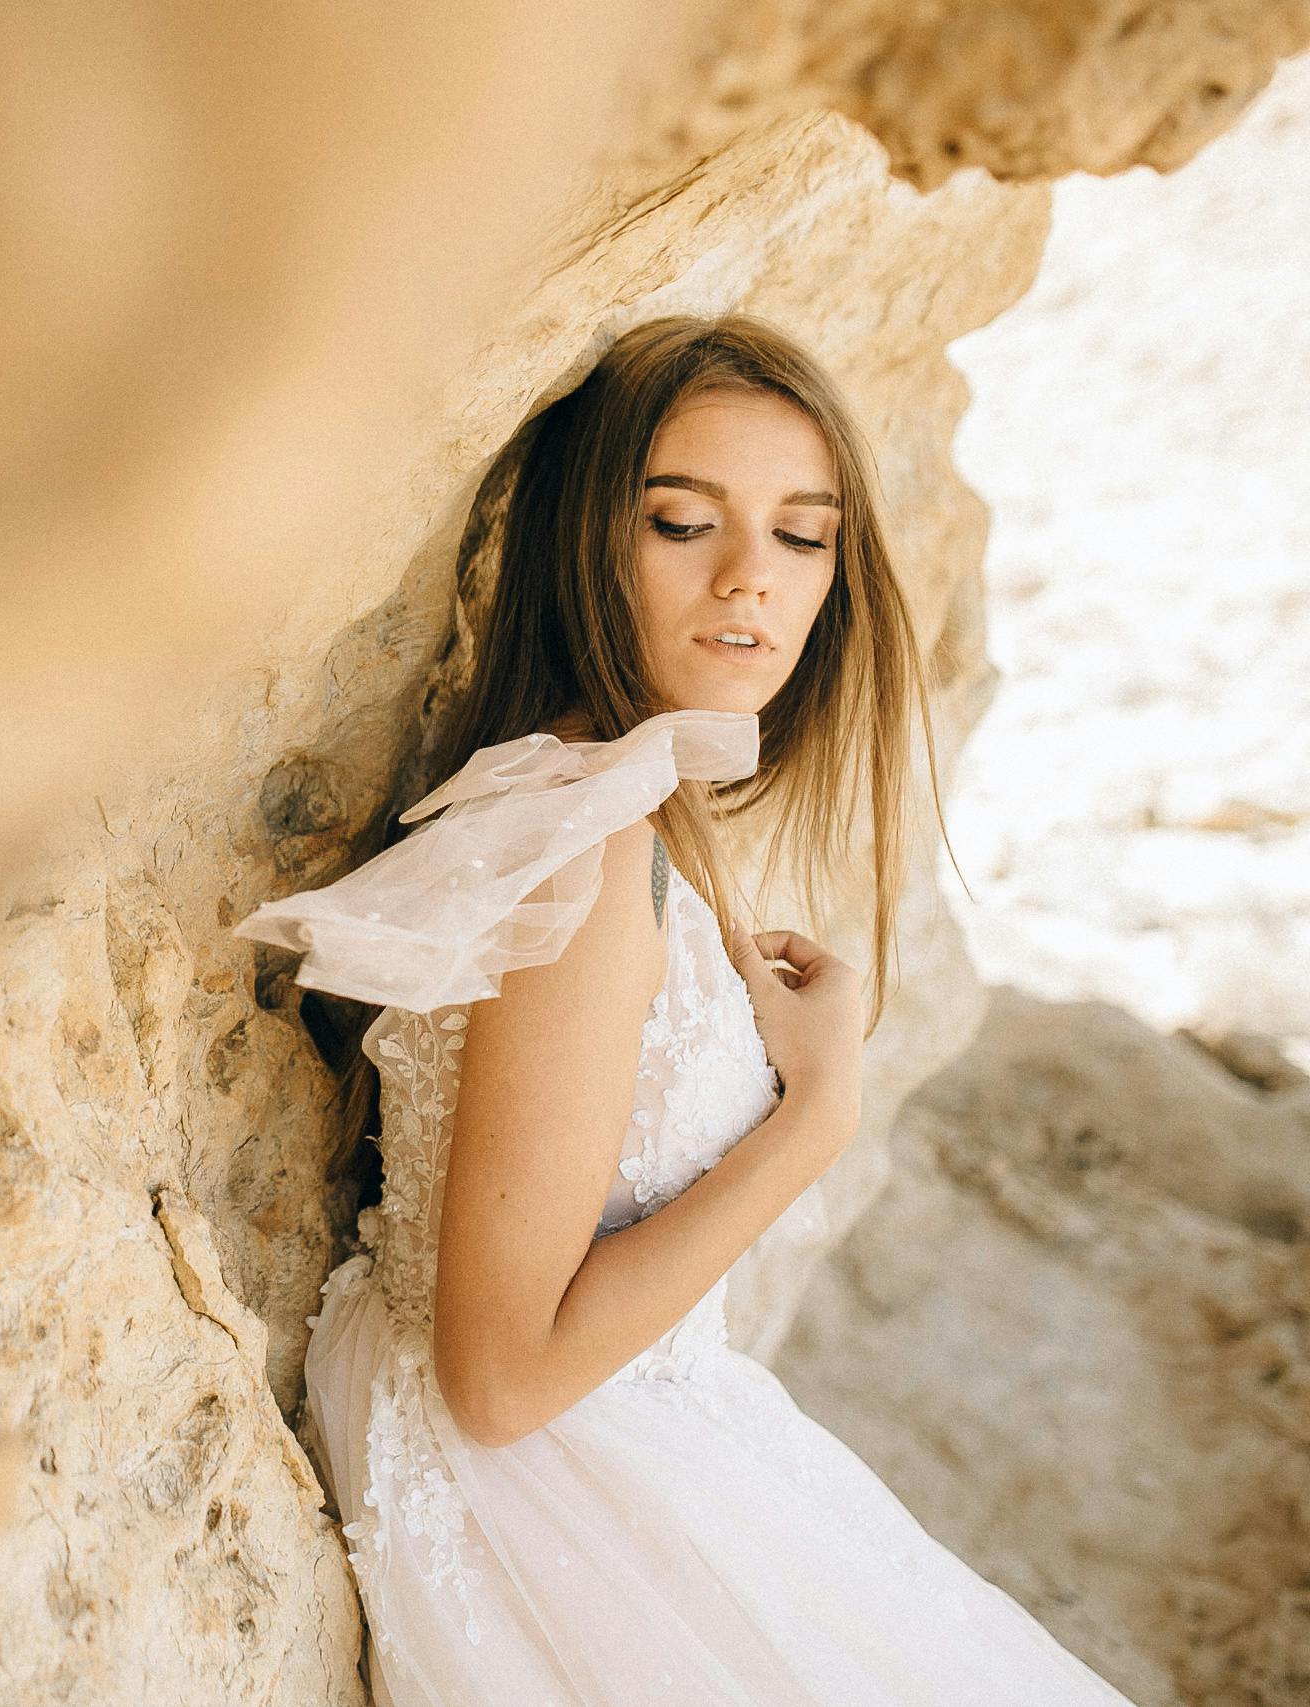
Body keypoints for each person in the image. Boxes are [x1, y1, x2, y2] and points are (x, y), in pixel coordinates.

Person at [231, 314, 1141, 1704]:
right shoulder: (587, 851)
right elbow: (500, 1381)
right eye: (681, 522)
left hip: (635, 1447)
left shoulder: (619, 800)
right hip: (546, 1496)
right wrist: (814, 1115)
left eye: (802, 535)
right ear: (587, 545)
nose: (749, 579)